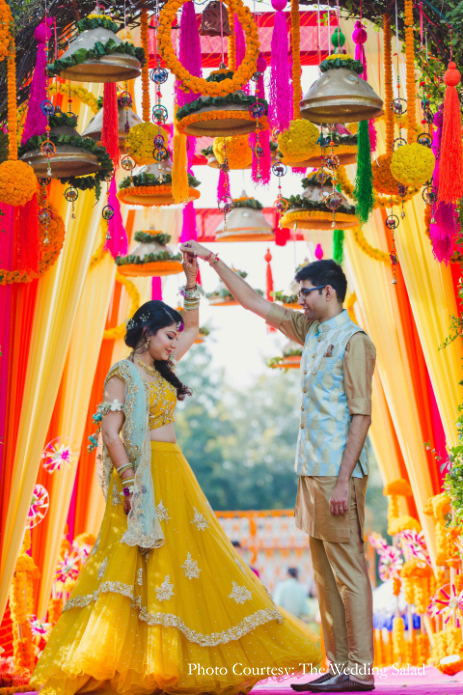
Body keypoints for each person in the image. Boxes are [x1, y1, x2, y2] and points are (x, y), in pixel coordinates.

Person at [31, 254, 321, 695]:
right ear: (147, 334)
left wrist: (191, 278)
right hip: (141, 476)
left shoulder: (163, 368)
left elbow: (193, 326)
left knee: (186, 562)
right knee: (136, 567)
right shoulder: (122, 374)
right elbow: (110, 433)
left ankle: (173, 665)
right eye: (167, 337)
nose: (175, 343)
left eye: (173, 337)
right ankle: (128, 665)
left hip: (173, 472)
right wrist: (129, 482)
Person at [180, 242, 376, 694]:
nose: (299, 299)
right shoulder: (311, 331)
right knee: (324, 574)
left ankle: (360, 671)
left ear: (328, 292)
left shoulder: (354, 341)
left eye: (305, 292)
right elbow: (253, 303)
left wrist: (345, 479)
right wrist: (212, 261)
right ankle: (338, 665)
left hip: (338, 473)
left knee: (348, 570)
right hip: (310, 470)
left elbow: (361, 415)